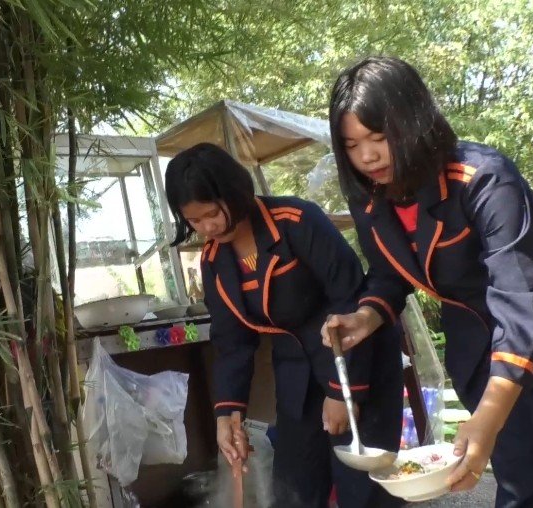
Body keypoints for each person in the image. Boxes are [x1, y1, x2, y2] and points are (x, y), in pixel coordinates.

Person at [324, 56, 533, 507]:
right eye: (351, 144)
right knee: (520, 480)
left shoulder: (482, 178)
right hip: (479, 339)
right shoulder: (370, 201)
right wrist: (367, 316)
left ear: (415, 122)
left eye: (380, 138)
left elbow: (520, 296)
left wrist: (486, 418)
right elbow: (389, 270)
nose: (367, 156)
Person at [165, 142, 404, 507]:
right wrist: (227, 416)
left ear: (234, 192)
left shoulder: (296, 220)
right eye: (195, 221)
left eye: (212, 213)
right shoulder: (214, 261)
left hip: (356, 359)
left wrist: (344, 392)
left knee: (363, 488)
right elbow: (233, 342)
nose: (208, 227)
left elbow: (351, 298)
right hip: (296, 373)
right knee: (294, 487)